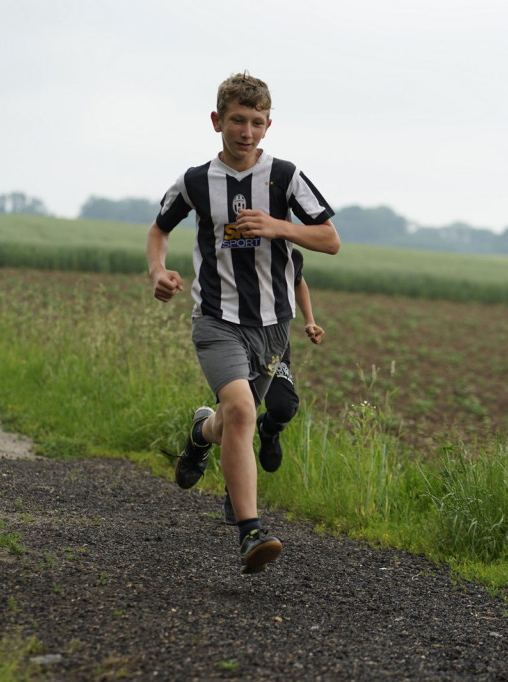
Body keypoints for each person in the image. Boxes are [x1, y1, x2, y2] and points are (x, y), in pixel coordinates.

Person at [146, 72, 340, 574]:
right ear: (217, 121)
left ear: (268, 125)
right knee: (239, 410)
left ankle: (198, 432)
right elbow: (158, 230)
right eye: (237, 120)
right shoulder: (194, 181)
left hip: (273, 325)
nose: (246, 131)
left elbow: (330, 239)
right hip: (215, 318)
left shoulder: (285, 177)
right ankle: (251, 532)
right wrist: (158, 271)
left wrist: (278, 226)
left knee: (235, 419)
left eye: (256, 122)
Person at [221, 248, 324, 524]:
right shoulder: (231, 249)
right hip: (235, 343)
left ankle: (269, 430)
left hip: (274, 345)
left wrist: (310, 321)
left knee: (284, 406)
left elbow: (298, 281)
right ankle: (234, 494)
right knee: (237, 418)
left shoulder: (290, 254)